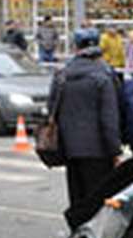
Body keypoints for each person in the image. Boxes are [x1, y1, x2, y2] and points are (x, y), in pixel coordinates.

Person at [49, 39, 121, 210]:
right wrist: (115, 150)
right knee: (97, 199)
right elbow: (109, 118)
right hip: (98, 151)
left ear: (76, 50)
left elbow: (52, 108)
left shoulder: (62, 75)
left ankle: (77, 224)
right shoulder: (103, 77)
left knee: (77, 195)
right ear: (98, 56)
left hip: (69, 149)